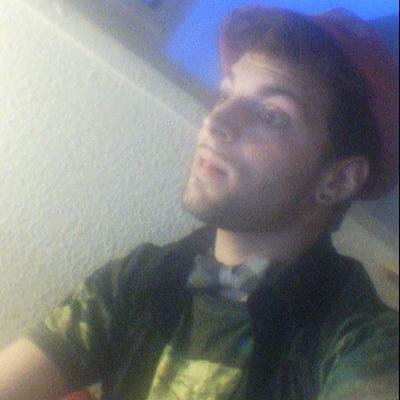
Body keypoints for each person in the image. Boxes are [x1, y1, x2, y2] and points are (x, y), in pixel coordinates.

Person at [0, 5, 398, 400]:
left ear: (338, 179)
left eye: (271, 116)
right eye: (225, 94)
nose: (216, 120)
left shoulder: (361, 344)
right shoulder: (139, 279)